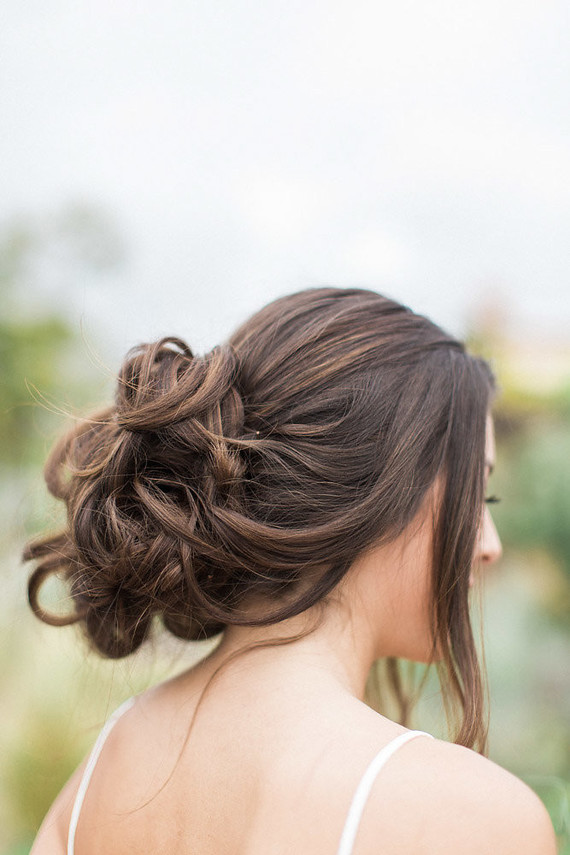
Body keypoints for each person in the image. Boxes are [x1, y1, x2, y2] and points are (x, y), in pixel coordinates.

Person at [25, 287, 556, 855]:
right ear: (384, 487)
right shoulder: (469, 816)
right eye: (478, 497)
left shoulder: (99, 776)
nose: (490, 544)